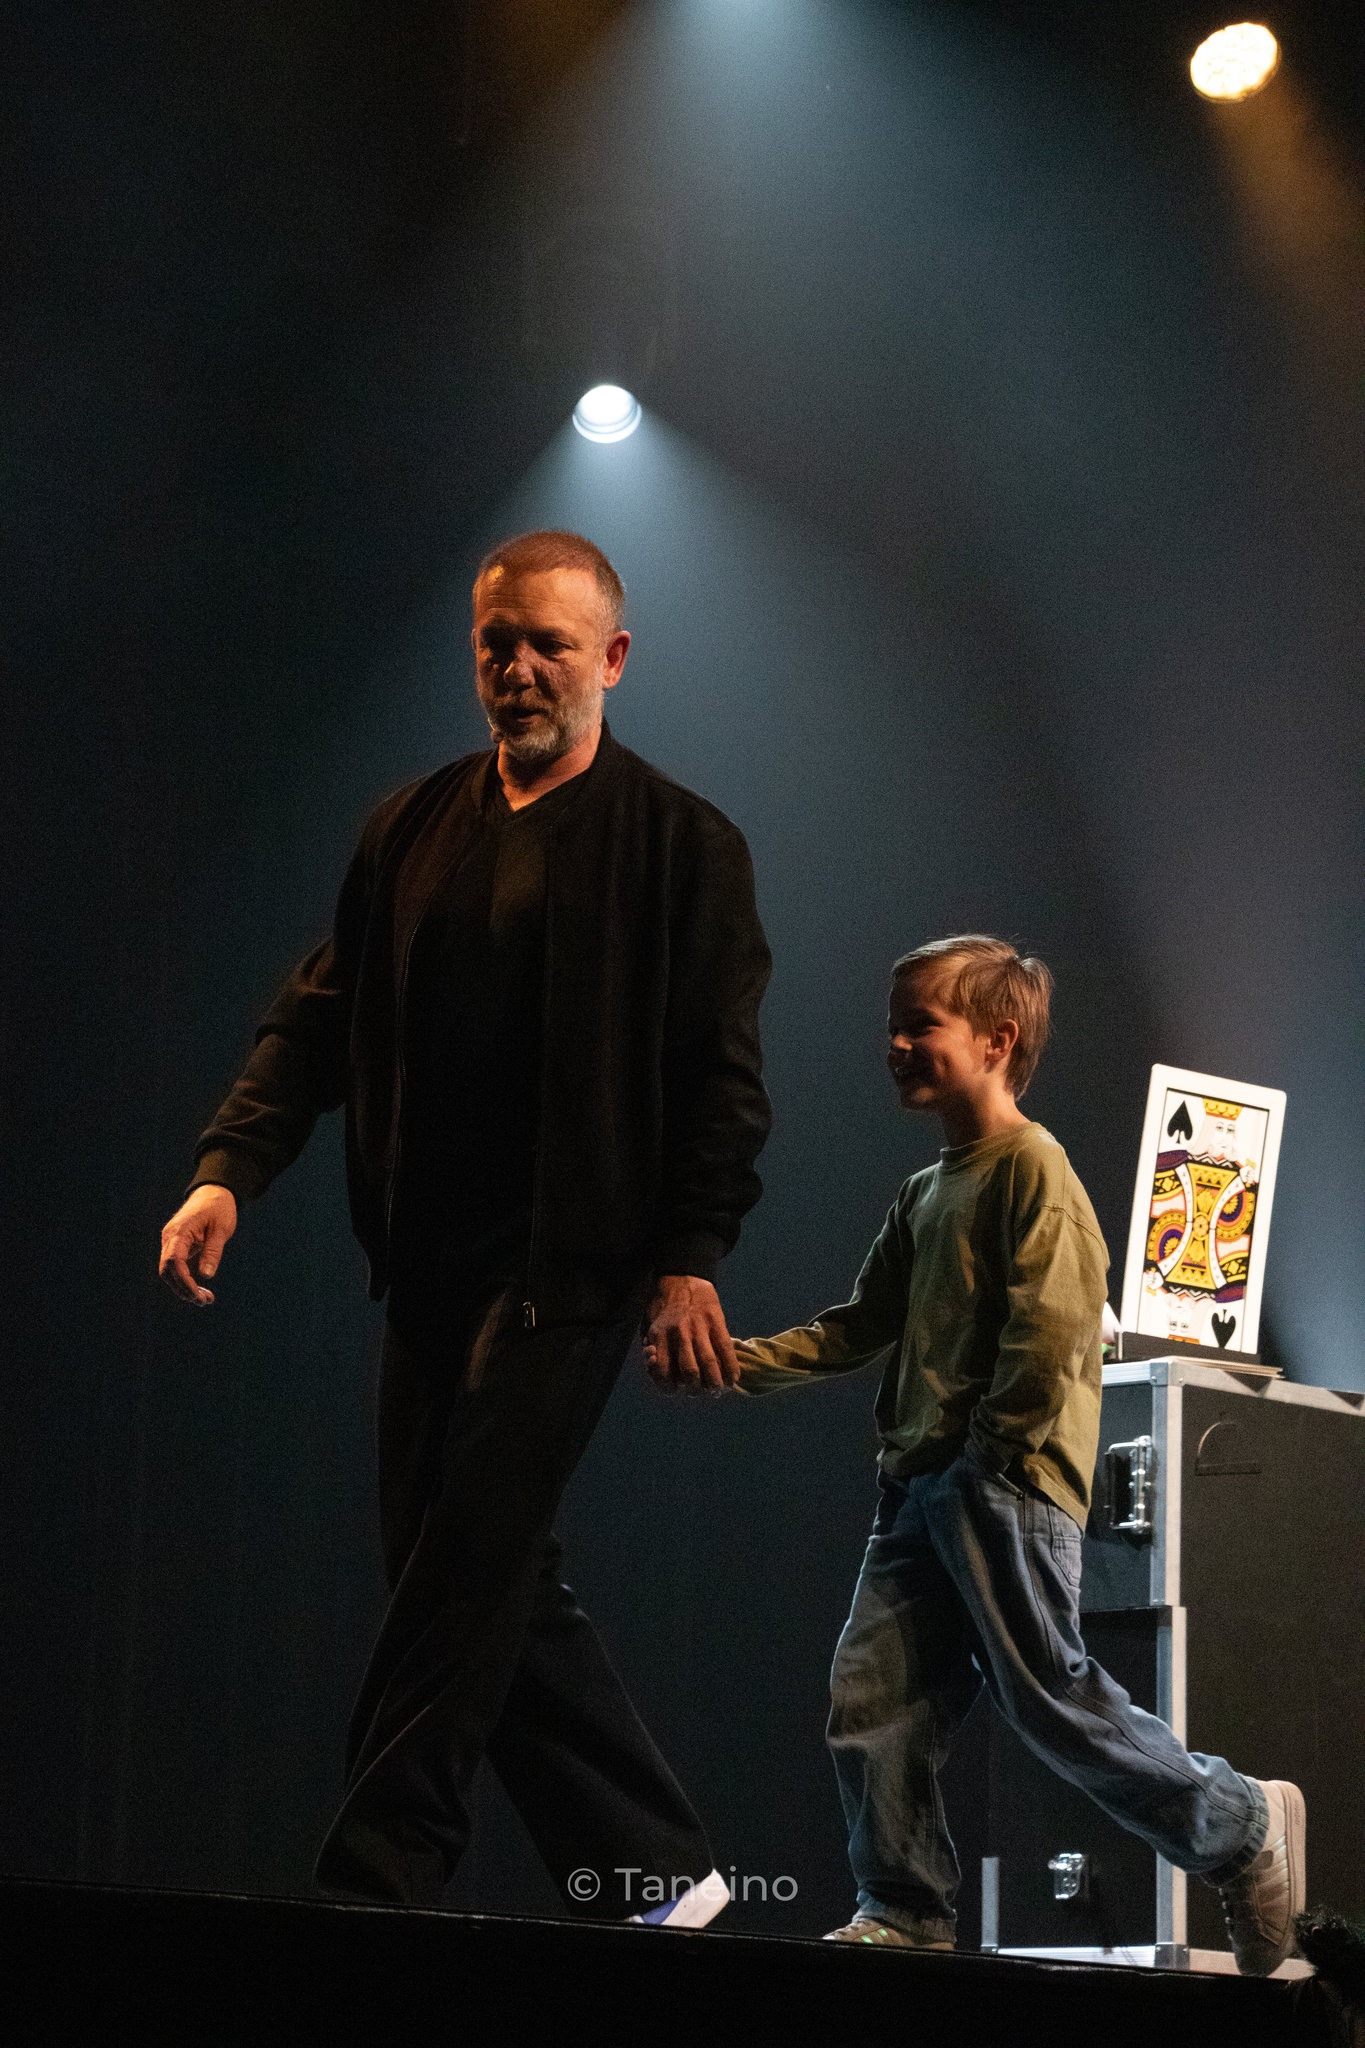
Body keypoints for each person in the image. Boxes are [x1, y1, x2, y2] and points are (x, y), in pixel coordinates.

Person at [158, 530, 771, 1923]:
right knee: (469, 1571)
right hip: (429, 1266)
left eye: (551, 643)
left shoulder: (683, 846)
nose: (520, 668)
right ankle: (666, 1882)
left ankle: (376, 1883)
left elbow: (721, 1080)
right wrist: (227, 1170)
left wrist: (690, 1258)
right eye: (499, 641)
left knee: (468, 1566)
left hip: (573, 1270)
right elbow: (317, 1017)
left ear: (613, 658)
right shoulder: (411, 827)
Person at [649, 935, 1305, 1973]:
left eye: (922, 1025)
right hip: (917, 1492)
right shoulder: (924, 1192)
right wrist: (735, 1363)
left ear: (996, 1041)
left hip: (1000, 1487)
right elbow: (860, 1325)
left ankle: (1239, 1824)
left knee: (1049, 1697)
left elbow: (1052, 1326)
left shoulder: (1033, 1170)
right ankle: (905, 1906)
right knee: (872, 1699)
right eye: (892, 1026)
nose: (897, 1044)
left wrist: (993, 1454)